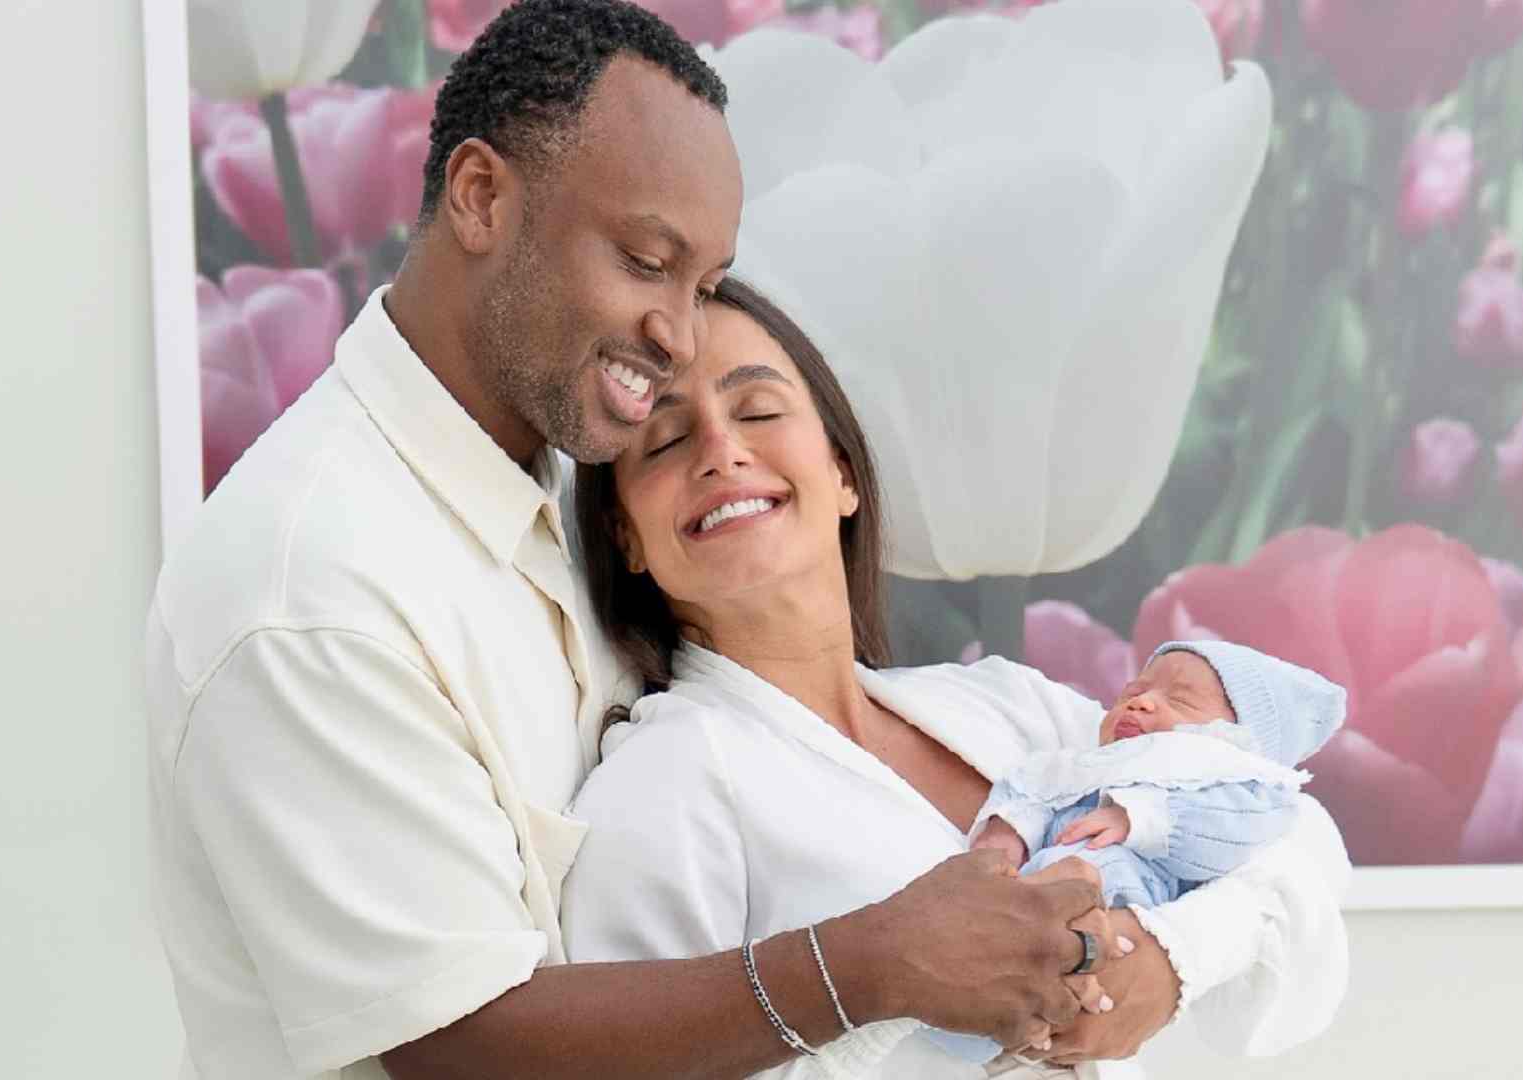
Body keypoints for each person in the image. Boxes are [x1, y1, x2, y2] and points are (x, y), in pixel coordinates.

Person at [146, 4, 1123, 1079]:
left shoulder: (555, 471)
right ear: (481, 198)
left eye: (701, 285)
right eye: (646, 260)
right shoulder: (309, 592)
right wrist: (873, 963)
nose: (678, 334)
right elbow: (458, 1044)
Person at [563, 276, 1354, 1079]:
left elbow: (1297, 835)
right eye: (665, 440)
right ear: (626, 536)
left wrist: (1173, 955)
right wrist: (884, 989)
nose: (720, 450)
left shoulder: (1014, 708)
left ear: (843, 473)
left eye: (759, 411)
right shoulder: (663, 786)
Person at [929, 640, 1348, 1065]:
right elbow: (1032, 787)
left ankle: (1003, 1025)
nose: (1141, 702)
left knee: (1059, 950)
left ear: (1238, 741)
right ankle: (968, 1023)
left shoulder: (1235, 785)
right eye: (1132, 691)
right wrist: (1008, 831)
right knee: (1010, 939)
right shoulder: (1087, 762)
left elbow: (1235, 832)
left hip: (1127, 891)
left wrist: (1141, 818)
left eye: (1181, 701)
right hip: (1042, 882)